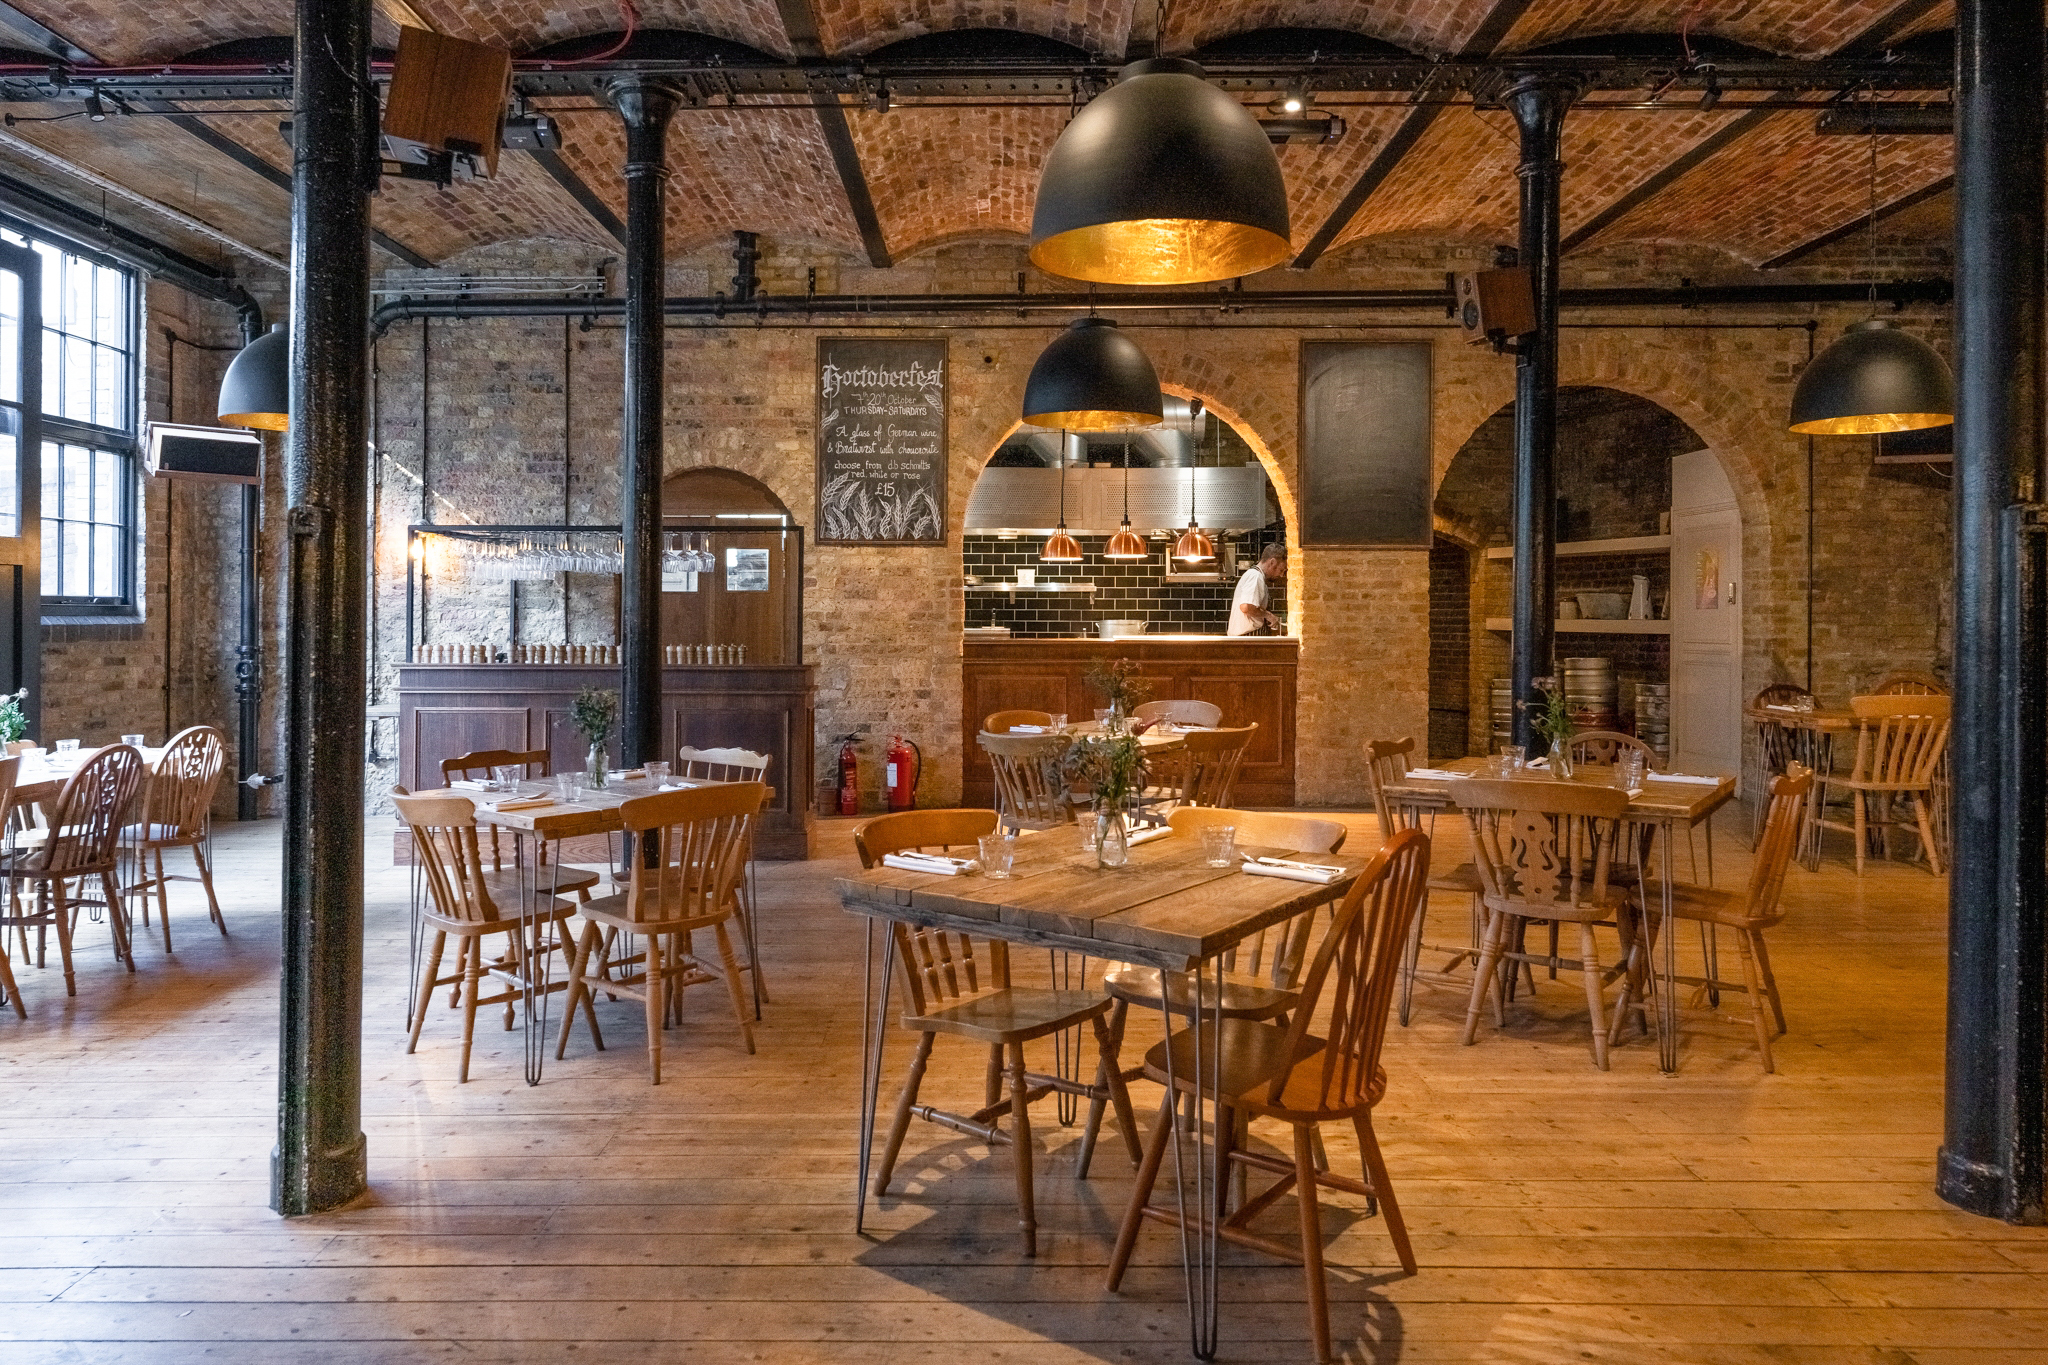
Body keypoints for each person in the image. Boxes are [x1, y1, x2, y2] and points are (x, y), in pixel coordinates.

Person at [1227, 543, 1286, 636]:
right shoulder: (1255, 576)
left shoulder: (1255, 575)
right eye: (1281, 570)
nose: (1281, 575)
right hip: (1248, 639)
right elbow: (1246, 607)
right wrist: (1269, 616)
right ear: (1272, 562)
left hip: (1247, 638)